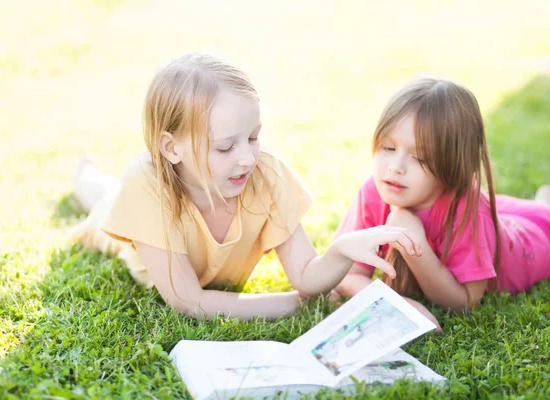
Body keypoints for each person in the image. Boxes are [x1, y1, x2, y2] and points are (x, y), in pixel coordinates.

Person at [68, 53, 421, 321]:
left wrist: (341, 251)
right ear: (171, 148)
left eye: (253, 137)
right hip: (129, 226)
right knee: (101, 195)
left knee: (106, 193)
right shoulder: (145, 184)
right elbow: (189, 299)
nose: (247, 158)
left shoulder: (264, 172)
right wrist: (293, 304)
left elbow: (305, 274)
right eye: (225, 147)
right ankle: (83, 172)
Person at [334, 76, 550, 323]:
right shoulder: (374, 190)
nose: (395, 167)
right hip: (498, 214)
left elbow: (465, 302)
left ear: (452, 166)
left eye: (421, 158)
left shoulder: (468, 209)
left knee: (543, 215)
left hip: (533, 240)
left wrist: (415, 246)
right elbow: (347, 275)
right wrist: (401, 304)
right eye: (388, 148)